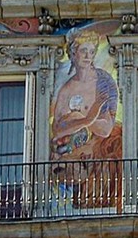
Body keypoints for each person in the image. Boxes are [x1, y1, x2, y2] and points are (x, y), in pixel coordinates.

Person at [51, 30, 118, 159]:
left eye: (92, 52)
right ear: (73, 53)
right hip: (69, 157)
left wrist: (77, 118)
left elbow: (106, 129)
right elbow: (57, 130)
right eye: (83, 51)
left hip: (97, 156)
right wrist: (87, 119)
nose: (88, 56)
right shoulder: (66, 90)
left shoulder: (103, 82)